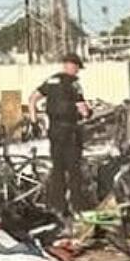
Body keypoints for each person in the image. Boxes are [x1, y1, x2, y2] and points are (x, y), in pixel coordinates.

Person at [29, 53, 92, 215]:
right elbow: (82, 109)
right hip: (70, 130)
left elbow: (32, 99)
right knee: (74, 170)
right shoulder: (74, 84)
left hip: (54, 131)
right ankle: (77, 207)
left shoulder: (51, 80)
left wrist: (34, 121)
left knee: (57, 169)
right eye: (77, 68)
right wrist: (88, 113)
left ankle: (58, 207)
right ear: (73, 66)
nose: (77, 72)